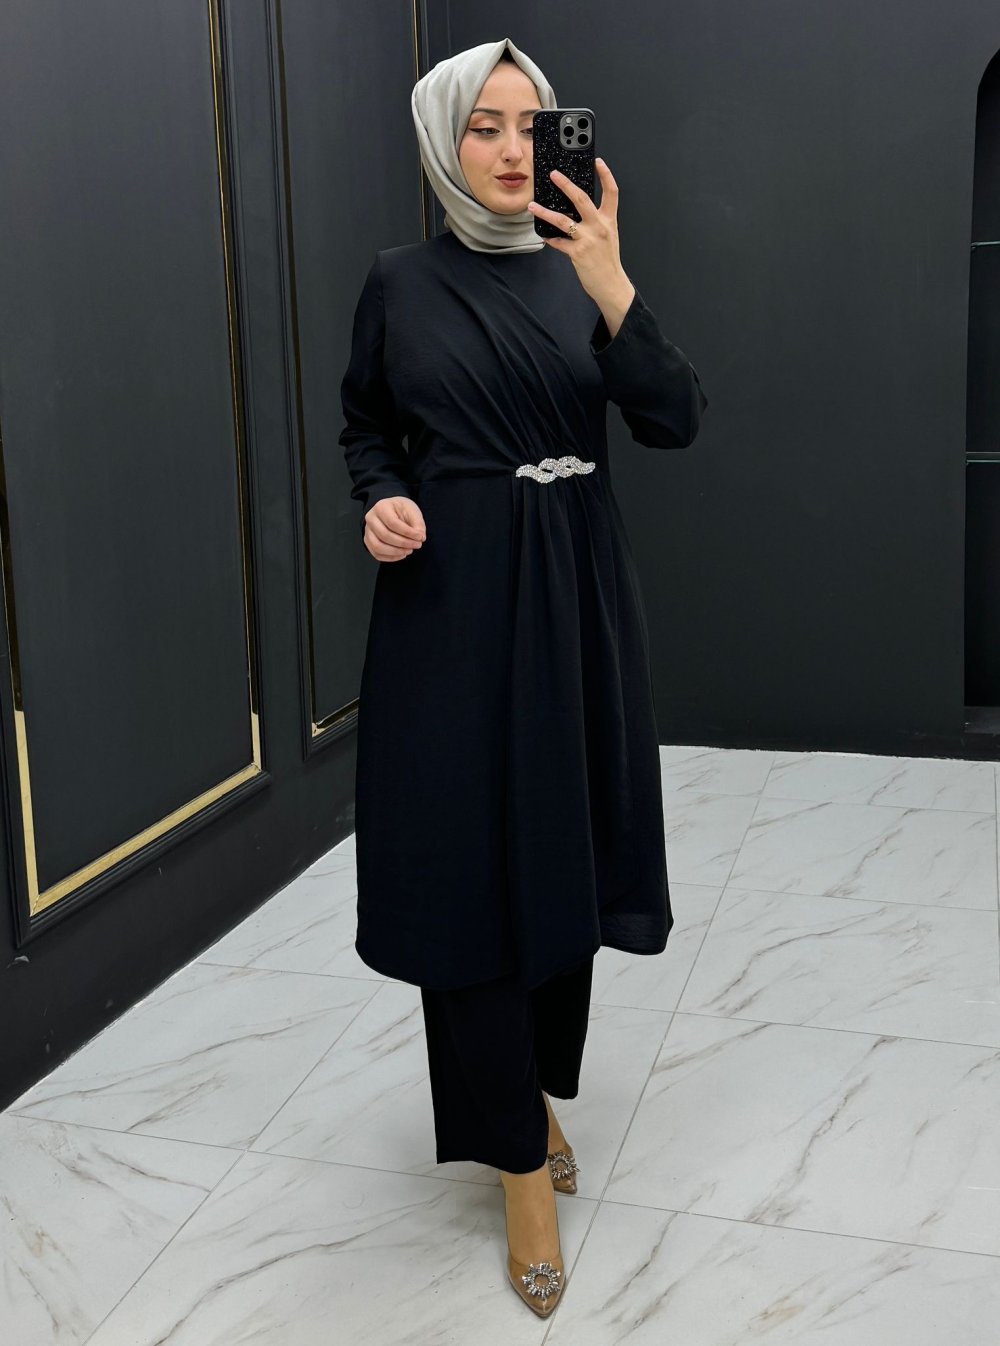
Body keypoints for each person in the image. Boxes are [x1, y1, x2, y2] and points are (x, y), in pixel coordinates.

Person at [338, 36, 707, 1318]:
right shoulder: (397, 283)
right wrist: (381, 498)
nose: (509, 149)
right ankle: (515, 1164)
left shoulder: (579, 268)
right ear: (443, 138)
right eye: (483, 125)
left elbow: (672, 417)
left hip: (572, 603)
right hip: (446, 611)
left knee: (561, 851)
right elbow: (367, 426)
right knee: (465, 874)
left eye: (530, 124)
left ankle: (539, 1092)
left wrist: (612, 282)